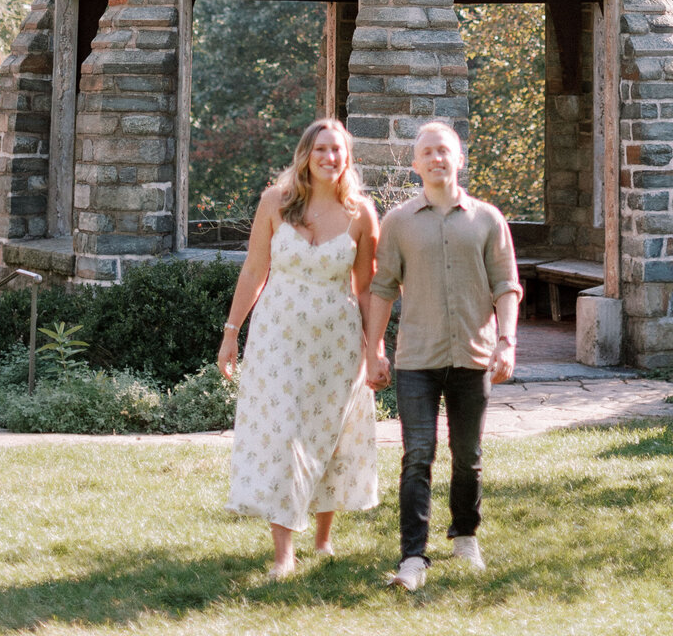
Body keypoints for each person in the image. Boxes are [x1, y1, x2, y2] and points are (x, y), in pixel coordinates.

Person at [218, 118, 380, 580]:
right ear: (305, 155)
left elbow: (367, 288)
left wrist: (376, 349)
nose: (330, 158)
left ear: (347, 158)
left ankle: (324, 540)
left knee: (331, 434)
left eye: (338, 151)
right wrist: (232, 332)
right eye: (322, 150)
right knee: (286, 433)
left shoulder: (361, 214)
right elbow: (254, 270)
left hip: (337, 341)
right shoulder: (276, 202)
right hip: (277, 338)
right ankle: (283, 552)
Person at [364, 120, 521, 591]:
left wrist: (507, 340)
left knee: (467, 455)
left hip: (473, 357)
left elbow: (506, 285)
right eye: (427, 152)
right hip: (417, 359)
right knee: (417, 455)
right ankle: (413, 557)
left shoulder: (488, 219)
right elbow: (381, 289)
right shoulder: (397, 223)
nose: (436, 158)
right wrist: (373, 348)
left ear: (459, 159)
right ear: (416, 164)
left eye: (444, 151)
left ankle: (465, 536)